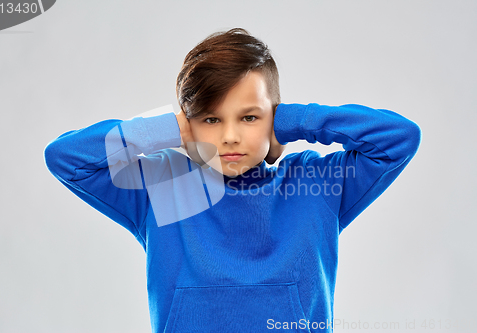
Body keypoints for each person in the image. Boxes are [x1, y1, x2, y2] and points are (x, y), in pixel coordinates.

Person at [44, 28, 421, 333]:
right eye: (210, 118)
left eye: (249, 117)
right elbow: (65, 158)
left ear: (272, 117)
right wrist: (165, 129)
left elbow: (399, 138)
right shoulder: (161, 188)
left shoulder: (316, 183)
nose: (229, 136)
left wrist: (294, 119)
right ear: (188, 123)